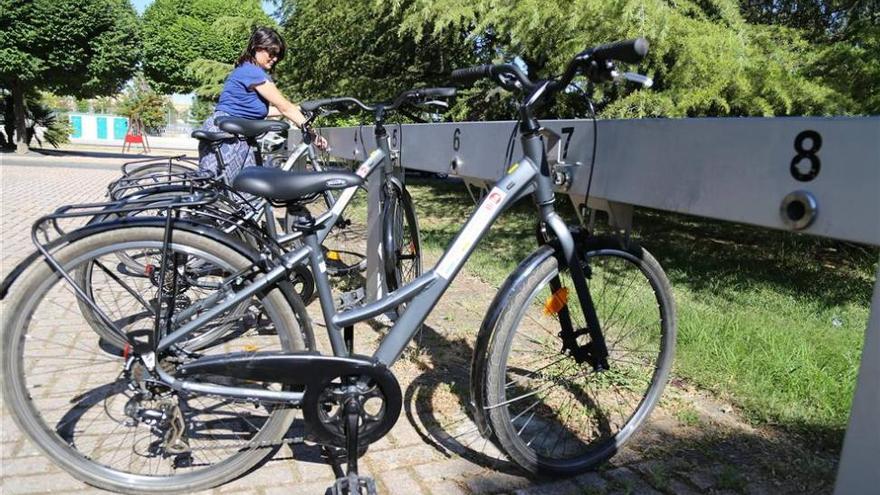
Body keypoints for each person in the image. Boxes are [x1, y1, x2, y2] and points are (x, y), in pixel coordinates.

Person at [198, 27, 327, 181]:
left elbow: (260, 111)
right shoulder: (253, 72)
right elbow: (284, 107)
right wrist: (313, 135)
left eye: (278, 56)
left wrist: (298, 108)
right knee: (234, 192)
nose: (275, 59)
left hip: (233, 129)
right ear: (257, 48)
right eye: (271, 53)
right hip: (229, 134)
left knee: (246, 192)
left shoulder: (245, 69)